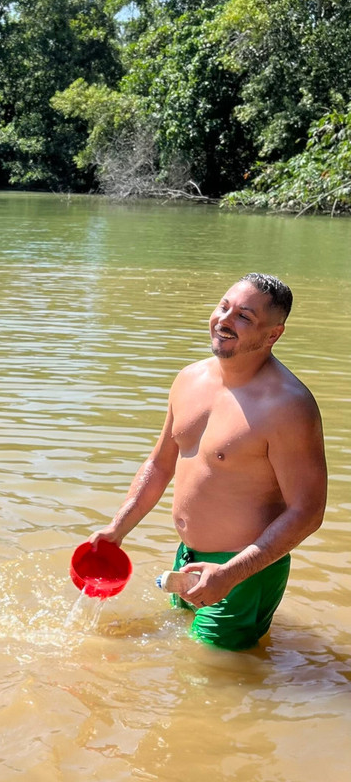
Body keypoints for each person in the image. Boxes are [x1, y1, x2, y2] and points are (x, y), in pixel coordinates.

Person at [89, 273, 327, 650]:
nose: (225, 320)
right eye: (224, 306)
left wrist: (230, 574)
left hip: (244, 572)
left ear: (273, 335)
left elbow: (308, 512)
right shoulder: (189, 379)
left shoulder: (288, 407)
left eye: (244, 317)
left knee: (211, 680)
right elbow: (160, 464)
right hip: (188, 559)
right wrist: (116, 530)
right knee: (185, 661)